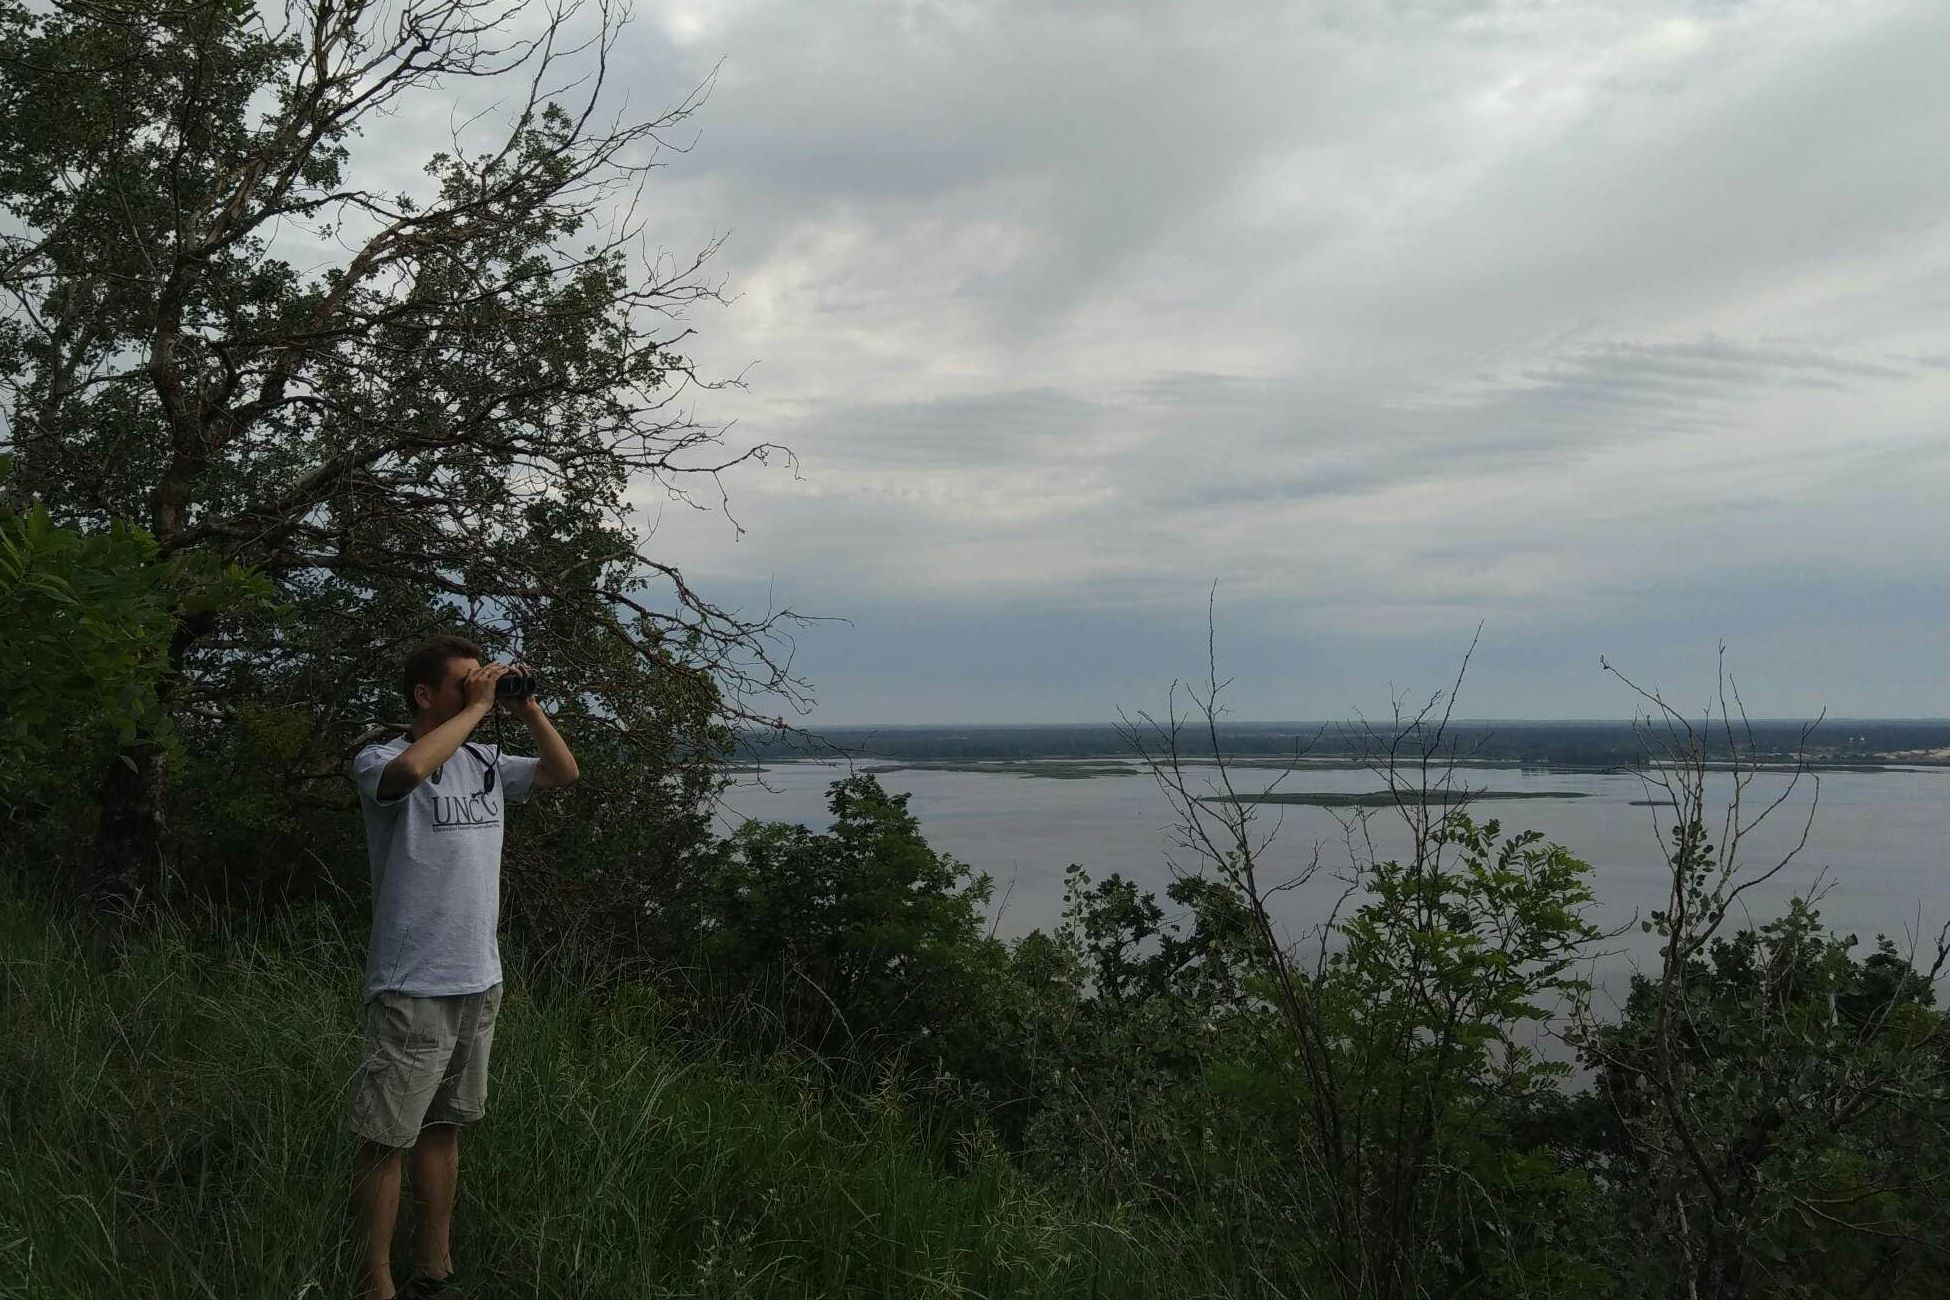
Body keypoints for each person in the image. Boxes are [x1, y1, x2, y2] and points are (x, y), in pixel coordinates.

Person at [344, 635, 580, 1300]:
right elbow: (410, 773)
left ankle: (435, 1269)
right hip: (411, 981)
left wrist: (526, 706)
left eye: (486, 680)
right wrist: (477, 709)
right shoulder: (379, 757)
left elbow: (563, 772)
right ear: (425, 695)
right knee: (386, 1138)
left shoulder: (483, 760)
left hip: (478, 976)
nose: (481, 689)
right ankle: (375, 1281)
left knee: (443, 1128)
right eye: (466, 681)